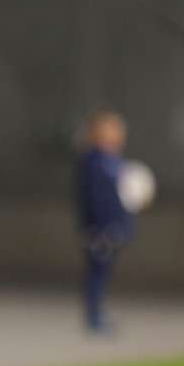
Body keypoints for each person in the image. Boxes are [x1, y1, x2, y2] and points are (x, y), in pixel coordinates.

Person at [76, 111, 132, 334]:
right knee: (96, 271)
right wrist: (97, 227)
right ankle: (93, 316)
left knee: (103, 271)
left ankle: (97, 313)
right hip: (99, 229)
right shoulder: (93, 162)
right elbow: (93, 198)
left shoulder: (115, 161)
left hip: (115, 226)